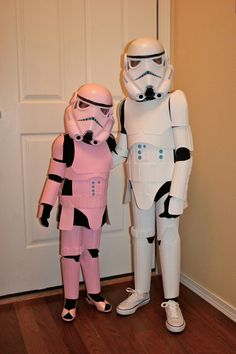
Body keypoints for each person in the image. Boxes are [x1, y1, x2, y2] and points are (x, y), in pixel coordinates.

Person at [115, 37, 193, 333]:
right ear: (127, 65)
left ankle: (172, 300)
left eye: (154, 62)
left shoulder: (175, 100)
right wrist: (88, 158)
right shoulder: (124, 107)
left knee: (168, 235)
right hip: (137, 183)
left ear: (165, 61)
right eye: (137, 63)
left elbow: (184, 152)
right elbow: (121, 150)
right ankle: (141, 291)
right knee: (141, 235)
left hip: (166, 182)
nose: (146, 71)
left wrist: (178, 192)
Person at [38, 83, 127, 322]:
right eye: (87, 106)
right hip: (71, 208)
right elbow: (55, 176)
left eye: (101, 110)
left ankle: (94, 294)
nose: (93, 116)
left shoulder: (108, 144)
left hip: (97, 208)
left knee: (92, 251)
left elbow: (121, 156)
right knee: (70, 254)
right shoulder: (64, 143)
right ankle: (70, 300)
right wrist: (45, 204)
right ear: (75, 103)